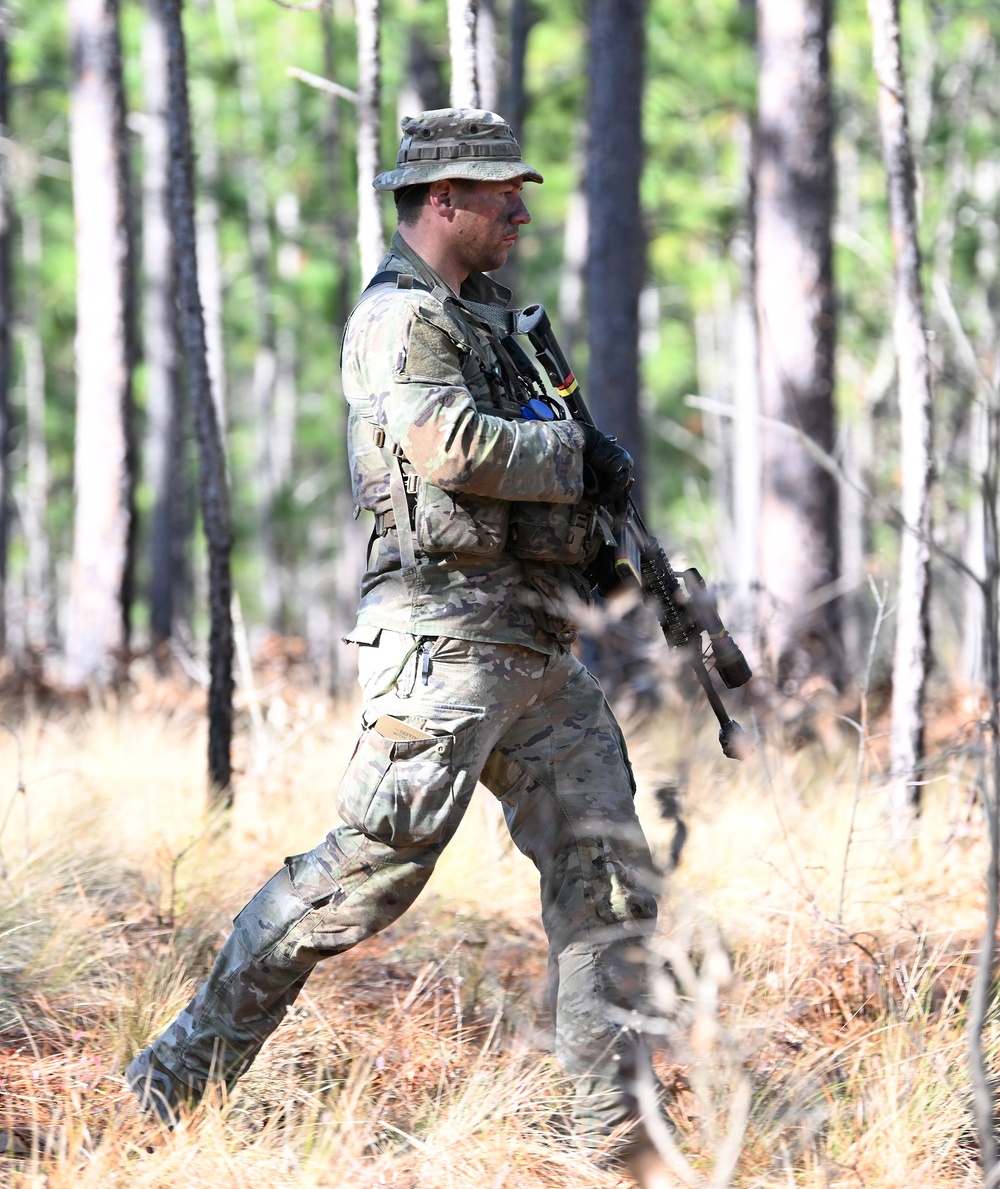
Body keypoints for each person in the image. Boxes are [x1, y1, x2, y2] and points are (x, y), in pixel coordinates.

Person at [127, 108, 669, 1182]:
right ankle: (173, 1078)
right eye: (497, 188)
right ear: (439, 202)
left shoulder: (497, 320)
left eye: (520, 186)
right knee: (362, 878)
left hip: (536, 645)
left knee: (610, 881)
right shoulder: (400, 320)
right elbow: (447, 445)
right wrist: (573, 455)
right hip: (446, 645)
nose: (520, 205)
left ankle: (611, 1142)